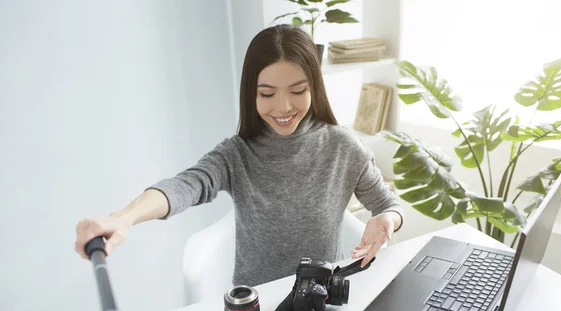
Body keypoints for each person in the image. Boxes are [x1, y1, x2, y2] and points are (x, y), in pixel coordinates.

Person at [75, 24, 404, 287]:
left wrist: (387, 220)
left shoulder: (343, 147)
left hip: (320, 297)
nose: (284, 107)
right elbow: (185, 185)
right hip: (255, 305)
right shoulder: (236, 154)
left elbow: (388, 206)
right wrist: (124, 217)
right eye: (267, 93)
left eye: (298, 90)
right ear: (252, 93)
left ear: (314, 88)